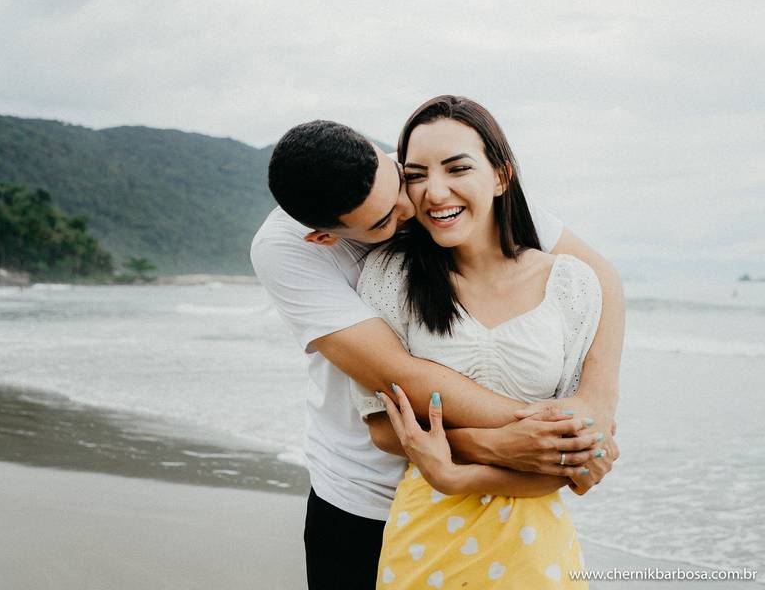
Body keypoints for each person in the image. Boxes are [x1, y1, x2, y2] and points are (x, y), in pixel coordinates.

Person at [250, 115, 622, 589]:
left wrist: (592, 410)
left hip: (504, 496)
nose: (414, 205)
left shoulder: (430, 176)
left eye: (400, 181)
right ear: (325, 236)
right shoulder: (285, 251)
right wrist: (546, 436)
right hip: (365, 493)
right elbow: (398, 375)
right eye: (385, 219)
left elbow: (599, 277)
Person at [352, 95, 611, 587]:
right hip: (427, 533)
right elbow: (385, 428)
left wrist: (457, 472)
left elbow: (578, 459)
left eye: (457, 168)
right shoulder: (391, 275)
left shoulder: (571, 283)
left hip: (536, 542)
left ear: (500, 174)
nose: (435, 191)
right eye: (416, 175)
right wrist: (499, 448)